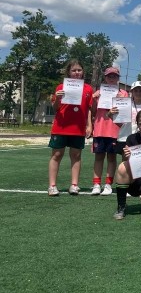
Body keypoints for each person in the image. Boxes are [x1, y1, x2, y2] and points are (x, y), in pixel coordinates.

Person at [47, 59, 93, 196]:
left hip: (78, 128)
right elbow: (56, 108)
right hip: (61, 127)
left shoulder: (88, 89)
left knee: (76, 155)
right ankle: (52, 186)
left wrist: (89, 125)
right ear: (69, 72)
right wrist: (57, 98)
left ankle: (74, 185)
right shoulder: (61, 87)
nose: (77, 72)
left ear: (83, 72)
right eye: (74, 70)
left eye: (79, 70)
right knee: (56, 155)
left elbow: (89, 109)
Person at [90, 66, 128, 196]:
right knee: (98, 157)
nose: (112, 78)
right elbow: (93, 111)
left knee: (111, 158)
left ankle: (108, 184)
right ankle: (96, 184)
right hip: (100, 129)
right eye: (109, 76)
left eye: (114, 76)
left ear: (118, 78)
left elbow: (125, 114)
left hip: (114, 130)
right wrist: (94, 100)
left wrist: (120, 100)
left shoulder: (123, 93)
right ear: (105, 78)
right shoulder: (98, 92)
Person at [114, 81, 141, 160]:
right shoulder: (125, 105)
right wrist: (111, 115)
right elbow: (118, 122)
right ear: (131, 92)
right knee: (126, 162)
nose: (138, 93)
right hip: (125, 137)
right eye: (136, 91)